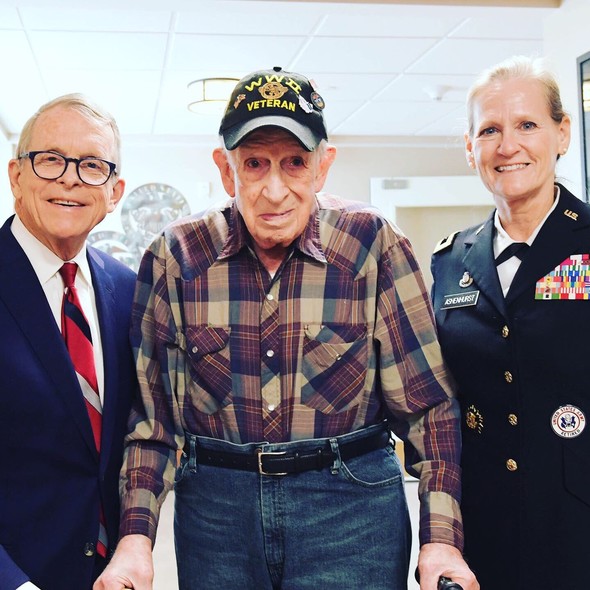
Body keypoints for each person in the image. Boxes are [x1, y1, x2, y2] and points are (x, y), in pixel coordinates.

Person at [96, 66, 478, 590]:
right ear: (226, 171)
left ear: (323, 167)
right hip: (217, 517)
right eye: (254, 164)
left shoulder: (371, 246)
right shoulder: (176, 257)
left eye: (294, 163)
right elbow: (152, 423)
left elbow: (427, 408)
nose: (275, 191)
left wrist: (441, 541)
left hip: (350, 512)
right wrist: (134, 541)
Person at [430, 55, 590, 589]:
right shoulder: (449, 261)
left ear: (562, 134)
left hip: (577, 529)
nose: (507, 145)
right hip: (483, 530)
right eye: (489, 130)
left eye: (527, 125)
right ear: (470, 148)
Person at [0, 94, 138, 590]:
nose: (70, 178)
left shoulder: (127, 290)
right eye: (51, 159)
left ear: (115, 191)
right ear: (17, 175)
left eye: (92, 165)